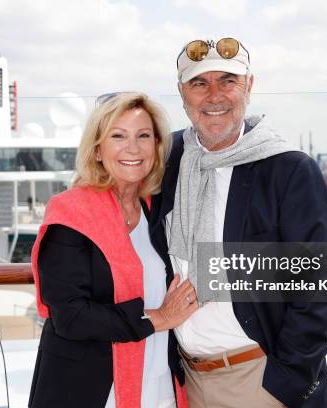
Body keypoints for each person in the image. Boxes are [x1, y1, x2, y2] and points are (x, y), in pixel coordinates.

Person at [150, 37, 327, 407]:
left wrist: (284, 385)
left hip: (259, 379)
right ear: (182, 93)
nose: (214, 95)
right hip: (186, 381)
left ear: (249, 86)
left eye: (228, 81)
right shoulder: (167, 161)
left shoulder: (288, 170)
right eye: (199, 83)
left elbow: (318, 288)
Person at [28, 92, 198, 408]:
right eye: (118, 136)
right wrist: (159, 318)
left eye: (143, 136)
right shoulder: (70, 212)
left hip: (160, 383)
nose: (132, 148)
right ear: (97, 150)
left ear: (157, 147)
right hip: (92, 391)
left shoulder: (156, 210)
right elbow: (71, 316)